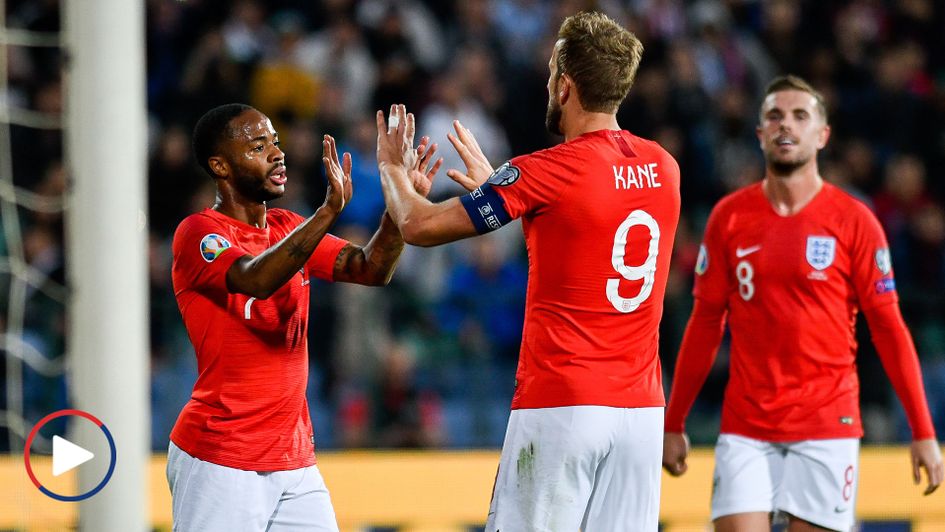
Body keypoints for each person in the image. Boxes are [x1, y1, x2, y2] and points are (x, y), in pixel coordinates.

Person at [375, 12, 681, 531]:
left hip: (562, 405)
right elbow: (584, 237)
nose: (544, 80)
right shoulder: (664, 168)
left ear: (565, 85)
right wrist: (505, 191)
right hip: (641, 415)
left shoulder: (548, 171)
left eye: (549, 70)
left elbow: (418, 225)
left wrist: (390, 166)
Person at [662, 75, 944, 532]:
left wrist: (923, 431)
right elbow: (705, 323)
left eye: (799, 116)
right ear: (759, 134)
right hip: (747, 425)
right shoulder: (729, 217)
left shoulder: (855, 221)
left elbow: (890, 329)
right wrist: (675, 421)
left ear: (822, 135)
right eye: (774, 116)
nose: (785, 125)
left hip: (826, 423)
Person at [165, 103, 440, 531]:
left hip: (293, 460)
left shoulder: (288, 226)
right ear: (220, 165)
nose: (277, 153)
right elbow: (254, 279)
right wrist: (327, 212)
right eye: (258, 147)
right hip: (221, 456)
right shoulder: (199, 234)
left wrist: (399, 207)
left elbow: (370, 269)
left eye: (275, 142)